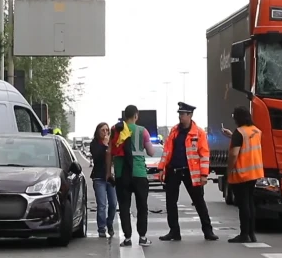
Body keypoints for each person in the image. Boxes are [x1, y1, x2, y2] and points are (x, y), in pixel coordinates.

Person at [158, 102, 219, 242]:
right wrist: (162, 168)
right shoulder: (174, 131)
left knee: (198, 201)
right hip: (174, 170)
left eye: (183, 114)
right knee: (170, 202)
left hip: (190, 172)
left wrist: (204, 175)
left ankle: (208, 231)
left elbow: (204, 154)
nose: (180, 117)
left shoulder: (198, 132)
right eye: (179, 114)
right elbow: (166, 151)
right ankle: (174, 231)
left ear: (190, 115)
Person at [109, 105, 156, 247]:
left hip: (122, 173)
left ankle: (128, 238)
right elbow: (151, 152)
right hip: (139, 173)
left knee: (124, 206)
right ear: (136, 116)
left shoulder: (115, 129)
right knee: (142, 206)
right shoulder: (143, 131)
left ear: (125, 116)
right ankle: (142, 237)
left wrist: (109, 171)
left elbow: (110, 150)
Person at [226, 106, 265, 243]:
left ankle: (244, 234)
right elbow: (247, 142)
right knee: (250, 203)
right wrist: (232, 136)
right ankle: (251, 234)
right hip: (254, 172)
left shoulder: (239, 132)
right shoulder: (256, 131)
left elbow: (234, 154)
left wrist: (229, 169)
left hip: (241, 173)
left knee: (243, 205)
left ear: (237, 118)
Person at [90, 122, 116, 238]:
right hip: (99, 177)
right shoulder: (94, 144)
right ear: (98, 132)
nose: (105, 132)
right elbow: (97, 156)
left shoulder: (112, 143)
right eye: (103, 130)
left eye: (107, 130)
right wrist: (104, 145)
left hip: (110, 178)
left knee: (113, 204)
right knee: (102, 205)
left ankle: (109, 222)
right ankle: (101, 228)